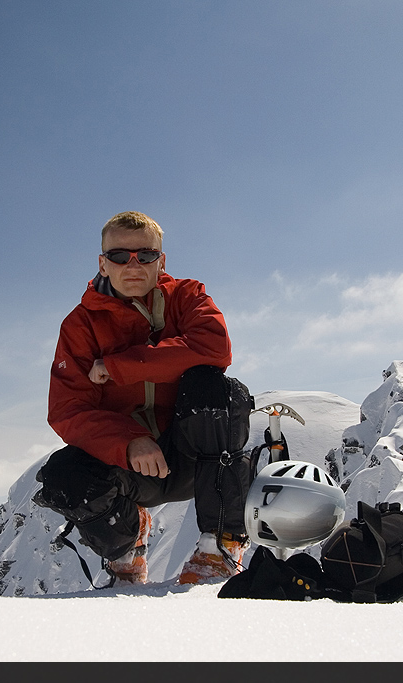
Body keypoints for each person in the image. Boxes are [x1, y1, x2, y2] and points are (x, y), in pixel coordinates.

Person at [34, 211, 253, 585]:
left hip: (194, 458)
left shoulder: (187, 296)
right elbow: (68, 409)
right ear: (103, 264)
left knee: (217, 390)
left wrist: (119, 366)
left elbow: (215, 348)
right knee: (63, 476)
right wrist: (128, 441)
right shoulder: (81, 325)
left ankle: (220, 547)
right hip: (129, 469)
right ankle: (127, 550)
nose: (133, 265)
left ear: (161, 261)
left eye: (146, 255)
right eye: (120, 256)